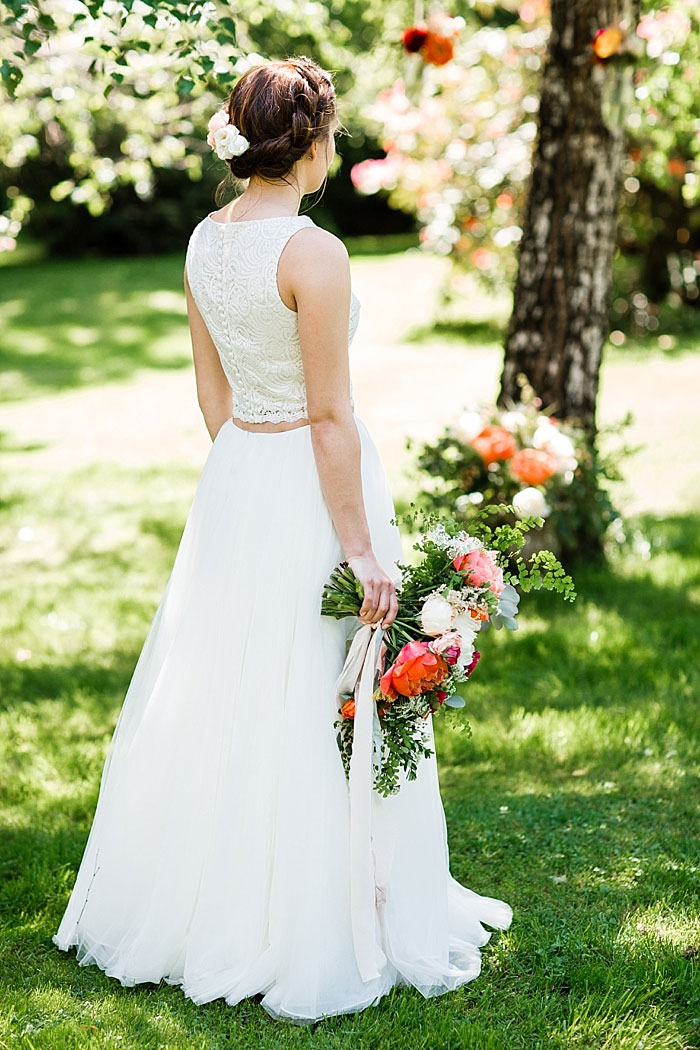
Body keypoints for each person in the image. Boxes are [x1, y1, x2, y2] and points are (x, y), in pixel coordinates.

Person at [52, 55, 512, 1024]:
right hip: (314, 485)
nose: (334, 147)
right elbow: (332, 416)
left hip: (238, 480)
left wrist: (249, 483)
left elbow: (212, 398)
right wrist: (357, 549)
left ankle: (208, 898)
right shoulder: (314, 253)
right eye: (331, 131)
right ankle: (325, 909)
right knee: (321, 686)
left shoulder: (203, 241)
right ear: (305, 141)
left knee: (230, 688)